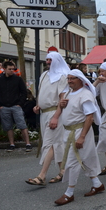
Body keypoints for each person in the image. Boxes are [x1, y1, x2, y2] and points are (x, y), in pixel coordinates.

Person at [54, 69, 103, 206]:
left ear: (80, 79)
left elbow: (89, 117)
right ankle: (97, 184)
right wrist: (62, 105)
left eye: (72, 78)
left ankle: (69, 193)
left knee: (72, 161)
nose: (69, 81)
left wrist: (82, 137)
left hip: (80, 132)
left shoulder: (85, 95)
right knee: (86, 158)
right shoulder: (69, 92)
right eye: (68, 78)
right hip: (69, 132)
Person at [25, 52, 69, 186]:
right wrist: (38, 105)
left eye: (51, 60)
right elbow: (41, 93)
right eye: (47, 60)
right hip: (44, 114)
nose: (48, 62)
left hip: (55, 113)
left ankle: (42, 175)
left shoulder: (62, 76)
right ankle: (63, 171)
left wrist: (56, 116)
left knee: (49, 144)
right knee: (55, 143)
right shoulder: (44, 75)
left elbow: (63, 98)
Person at [0, 61, 32, 152]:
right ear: (5, 69)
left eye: (13, 69)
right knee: (8, 126)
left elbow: (23, 92)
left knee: (22, 124)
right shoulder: (0, 81)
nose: (12, 71)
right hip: (4, 106)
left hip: (16, 105)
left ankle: (27, 143)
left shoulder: (18, 79)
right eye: (10, 69)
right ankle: (12, 144)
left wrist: (20, 103)